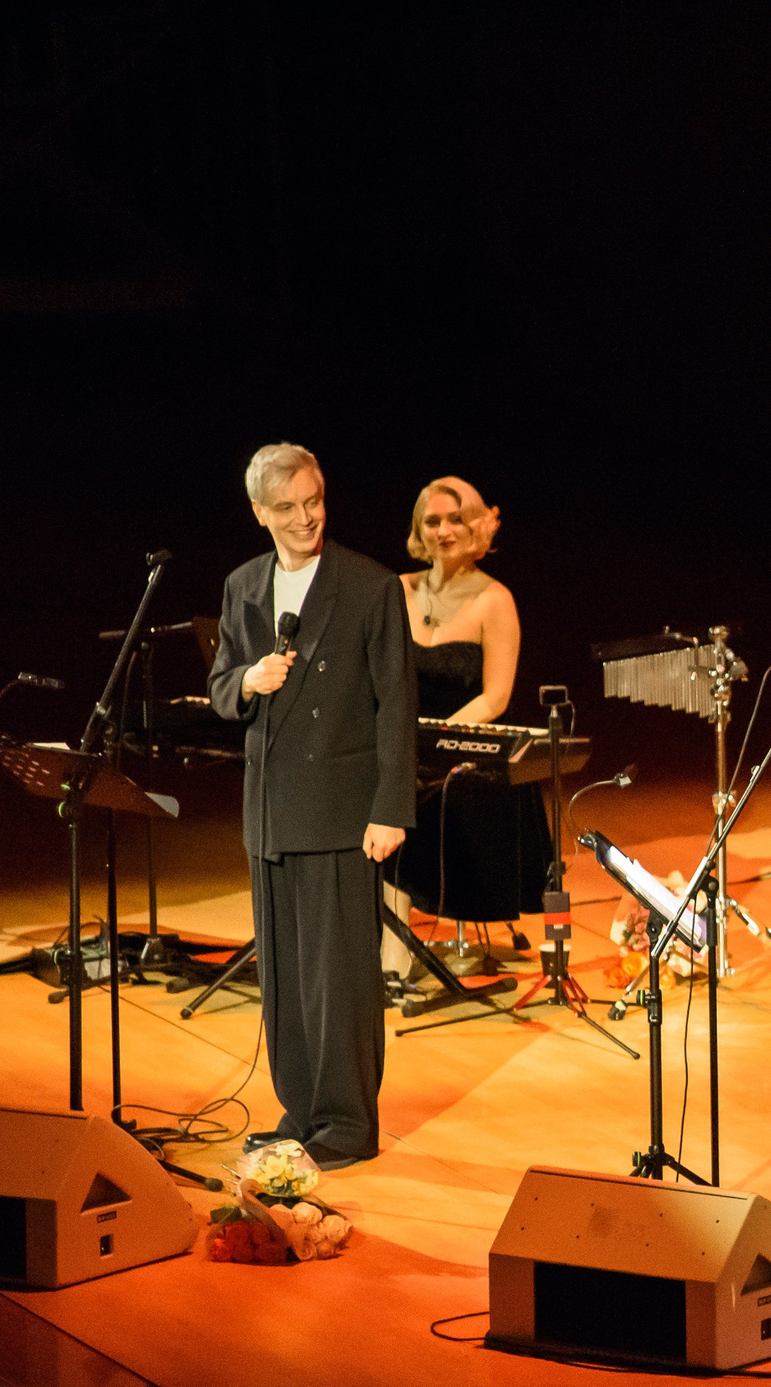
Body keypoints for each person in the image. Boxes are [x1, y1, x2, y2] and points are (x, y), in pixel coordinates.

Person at [206, 444, 414, 1167]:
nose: (305, 518)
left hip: (339, 810)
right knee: (288, 977)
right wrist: (247, 682)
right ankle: (301, 1112)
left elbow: (396, 706)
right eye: (288, 508)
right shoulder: (243, 585)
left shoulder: (368, 586)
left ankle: (349, 1125)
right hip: (270, 811)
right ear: (260, 513)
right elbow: (219, 684)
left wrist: (391, 807)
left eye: (313, 502)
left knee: (340, 979)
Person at [383, 477, 551, 957]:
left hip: (467, 751)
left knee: (407, 794)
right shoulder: (396, 591)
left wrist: (432, 743)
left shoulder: (495, 599)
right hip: (404, 744)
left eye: (455, 519)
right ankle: (377, 949)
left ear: (477, 526)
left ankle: (394, 963)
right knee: (370, 787)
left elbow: (496, 698)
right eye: (432, 520)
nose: (443, 530)